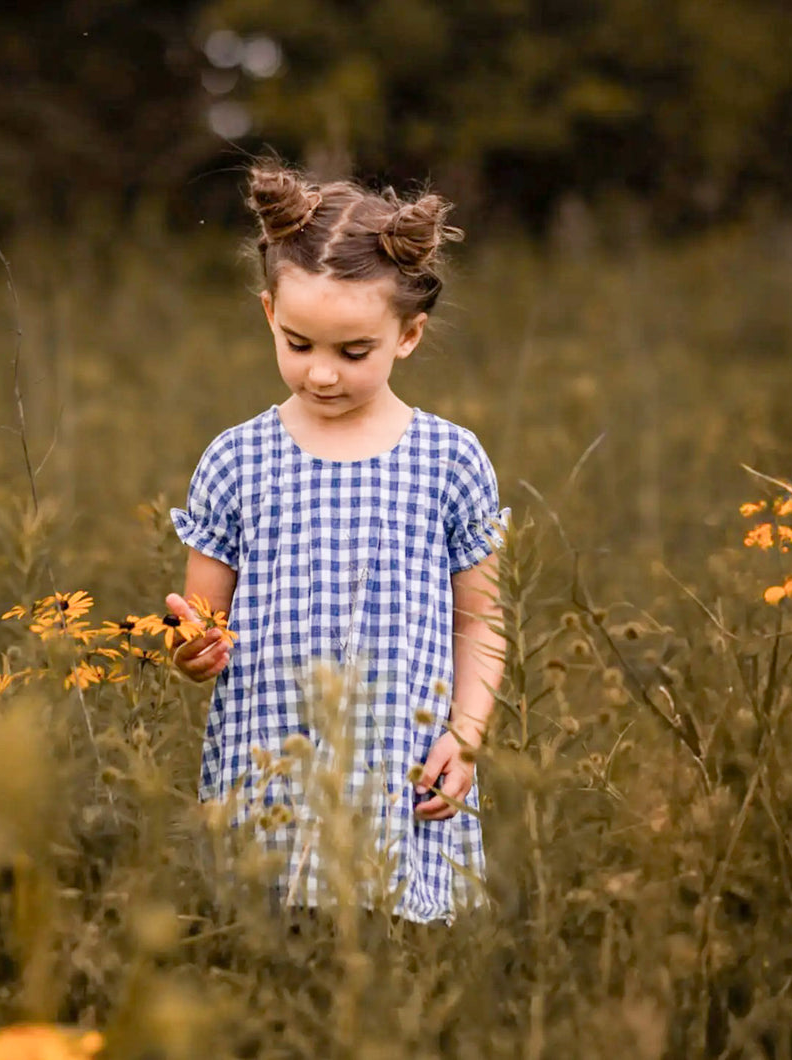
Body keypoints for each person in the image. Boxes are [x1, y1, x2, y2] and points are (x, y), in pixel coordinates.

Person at [166, 161, 507, 924]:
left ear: (408, 335)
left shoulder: (449, 459)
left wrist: (466, 735)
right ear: (268, 316)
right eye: (297, 344)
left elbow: (479, 622)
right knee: (269, 969)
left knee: (392, 981)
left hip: (400, 774)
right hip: (270, 775)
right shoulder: (235, 459)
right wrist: (190, 649)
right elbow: (200, 622)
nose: (321, 374)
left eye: (353, 352)